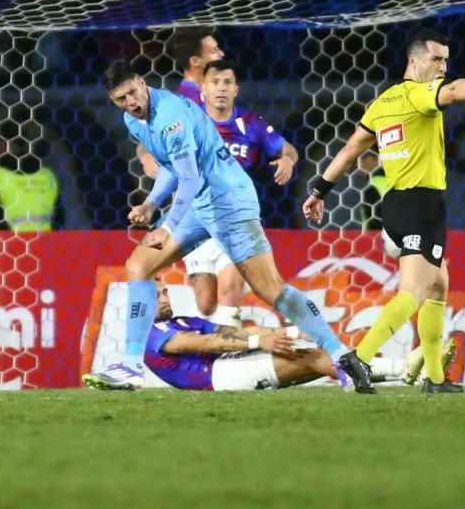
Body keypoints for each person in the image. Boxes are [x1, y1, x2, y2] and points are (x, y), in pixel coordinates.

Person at [81, 59, 374, 393]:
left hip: (228, 200)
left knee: (270, 289)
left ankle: (343, 357)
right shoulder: (133, 121)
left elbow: (190, 177)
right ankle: (132, 367)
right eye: (121, 99)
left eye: (133, 93)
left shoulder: (170, 115)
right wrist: (150, 203)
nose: (131, 103)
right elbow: (172, 168)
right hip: (198, 204)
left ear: (143, 83)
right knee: (138, 266)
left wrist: (167, 223)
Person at [303, 29, 465, 394]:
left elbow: (351, 149)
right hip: (419, 205)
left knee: (438, 286)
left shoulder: (383, 102)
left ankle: (434, 377)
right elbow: (453, 91)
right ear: (414, 61)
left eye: (446, 59)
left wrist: (320, 190)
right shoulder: (419, 94)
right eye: (436, 59)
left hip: (397, 206)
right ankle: (359, 357)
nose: (443, 66)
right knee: (414, 291)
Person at [133, 282, 454, 392]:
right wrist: (261, 343)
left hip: (226, 366)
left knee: (306, 351)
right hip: (219, 379)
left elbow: (228, 332)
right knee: (309, 358)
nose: (166, 298)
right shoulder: (151, 336)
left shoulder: (181, 320)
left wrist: (284, 332)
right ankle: (402, 369)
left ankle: (405, 371)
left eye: (164, 292)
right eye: (157, 296)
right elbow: (204, 343)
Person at [186, 59, 300, 327]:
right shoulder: (189, 119)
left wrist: (287, 160)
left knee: (229, 291)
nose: (221, 88)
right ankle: (204, 344)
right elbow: (148, 142)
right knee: (205, 303)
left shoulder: (250, 123)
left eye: (227, 83)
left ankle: (226, 359)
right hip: (196, 220)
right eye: (215, 82)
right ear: (203, 88)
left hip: (236, 220)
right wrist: (147, 157)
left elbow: (288, 149)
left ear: (236, 89)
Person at [135, 27, 224, 179]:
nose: (222, 54)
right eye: (215, 50)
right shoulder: (185, 101)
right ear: (195, 61)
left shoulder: (215, 93)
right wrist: (147, 158)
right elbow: (149, 140)